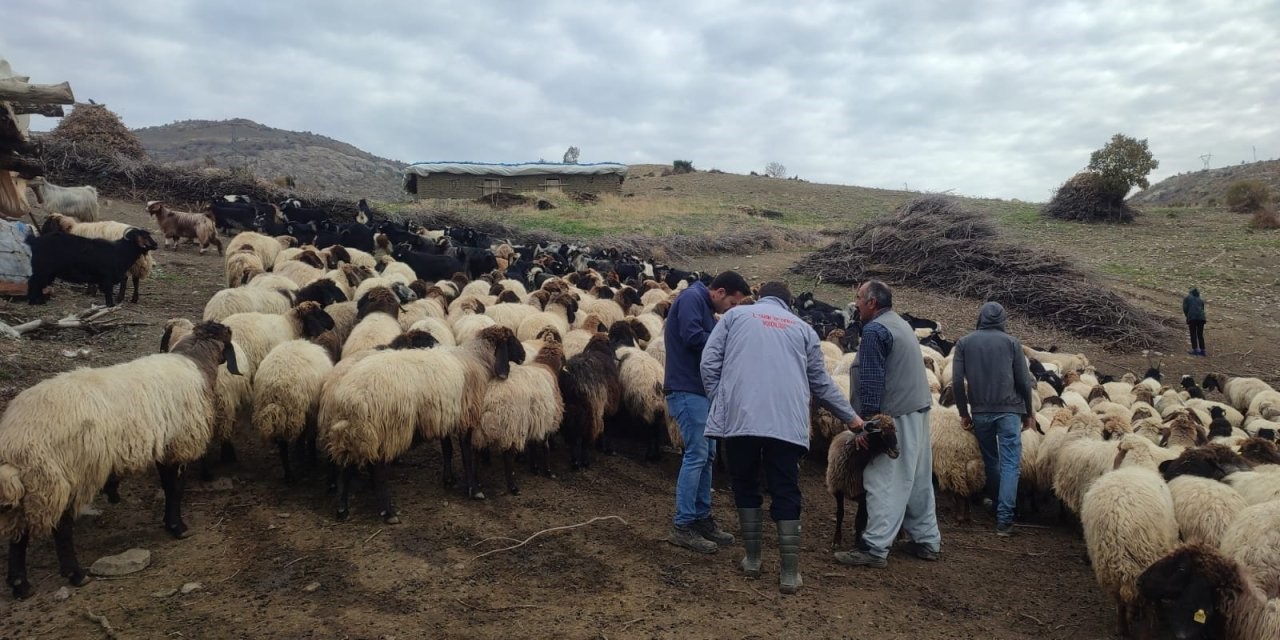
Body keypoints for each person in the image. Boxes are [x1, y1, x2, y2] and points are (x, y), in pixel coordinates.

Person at [701, 281, 861, 594]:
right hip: (786, 424)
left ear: (759, 298)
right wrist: (852, 419)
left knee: (745, 483)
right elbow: (823, 384)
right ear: (788, 304)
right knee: (785, 489)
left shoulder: (735, 318)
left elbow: (709, 363)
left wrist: (722, 399)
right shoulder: (802, 329)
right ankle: (789, 573)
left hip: (741, 420)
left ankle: (753, 559)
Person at [835, 280, 940, 568]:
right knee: (917, 478)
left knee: (884, 478)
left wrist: (868, 426)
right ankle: (926, 540)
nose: (855, 303)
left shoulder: (874, 331)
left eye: (858, 298)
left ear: (871, 302)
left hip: (893, 415)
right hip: (917, 409)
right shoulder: (899, 324)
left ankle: (874, 547)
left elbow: (870, 380)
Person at [665, 270, 752, 554]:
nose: (732, 310)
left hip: (700, 391)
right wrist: (727, 340)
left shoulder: (703, 305)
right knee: (697, 454)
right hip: (686, 389)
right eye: (733, 304)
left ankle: (701, 518)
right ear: (720, 292)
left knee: (708, 454)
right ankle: (683, 524)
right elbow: (692, 337)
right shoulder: (692, 298)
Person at [950, 302, 1036, 537]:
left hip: (980, 411)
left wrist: (963, 412)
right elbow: (1023, 381)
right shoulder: (1012, 343)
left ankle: (999, 505)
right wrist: (1028, 412)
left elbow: (956, 382)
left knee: (991, 460)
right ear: (1003, 320)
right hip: (1009, 410)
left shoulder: (964, 343)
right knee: (1010, 463)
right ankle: (1004, 519)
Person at [1183, 287, 1206, 356]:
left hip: (1192, 318)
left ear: (1190, 292)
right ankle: (1202, 351)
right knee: (1200, 334)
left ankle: (1195, 350)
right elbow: (1202, 308)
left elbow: (1185, 308)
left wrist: (1187, 316)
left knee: (1193, 333)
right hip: (1202, 318)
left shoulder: (1187, 298)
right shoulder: (1200, 299)